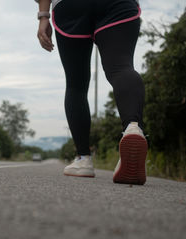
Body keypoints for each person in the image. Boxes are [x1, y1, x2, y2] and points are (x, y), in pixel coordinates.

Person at [36, 0, 148, 185]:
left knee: (76, 85)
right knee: (121, 67)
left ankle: (83, 159)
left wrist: (43, 16)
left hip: (71, 6)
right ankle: (133, 128)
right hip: (117, 4)